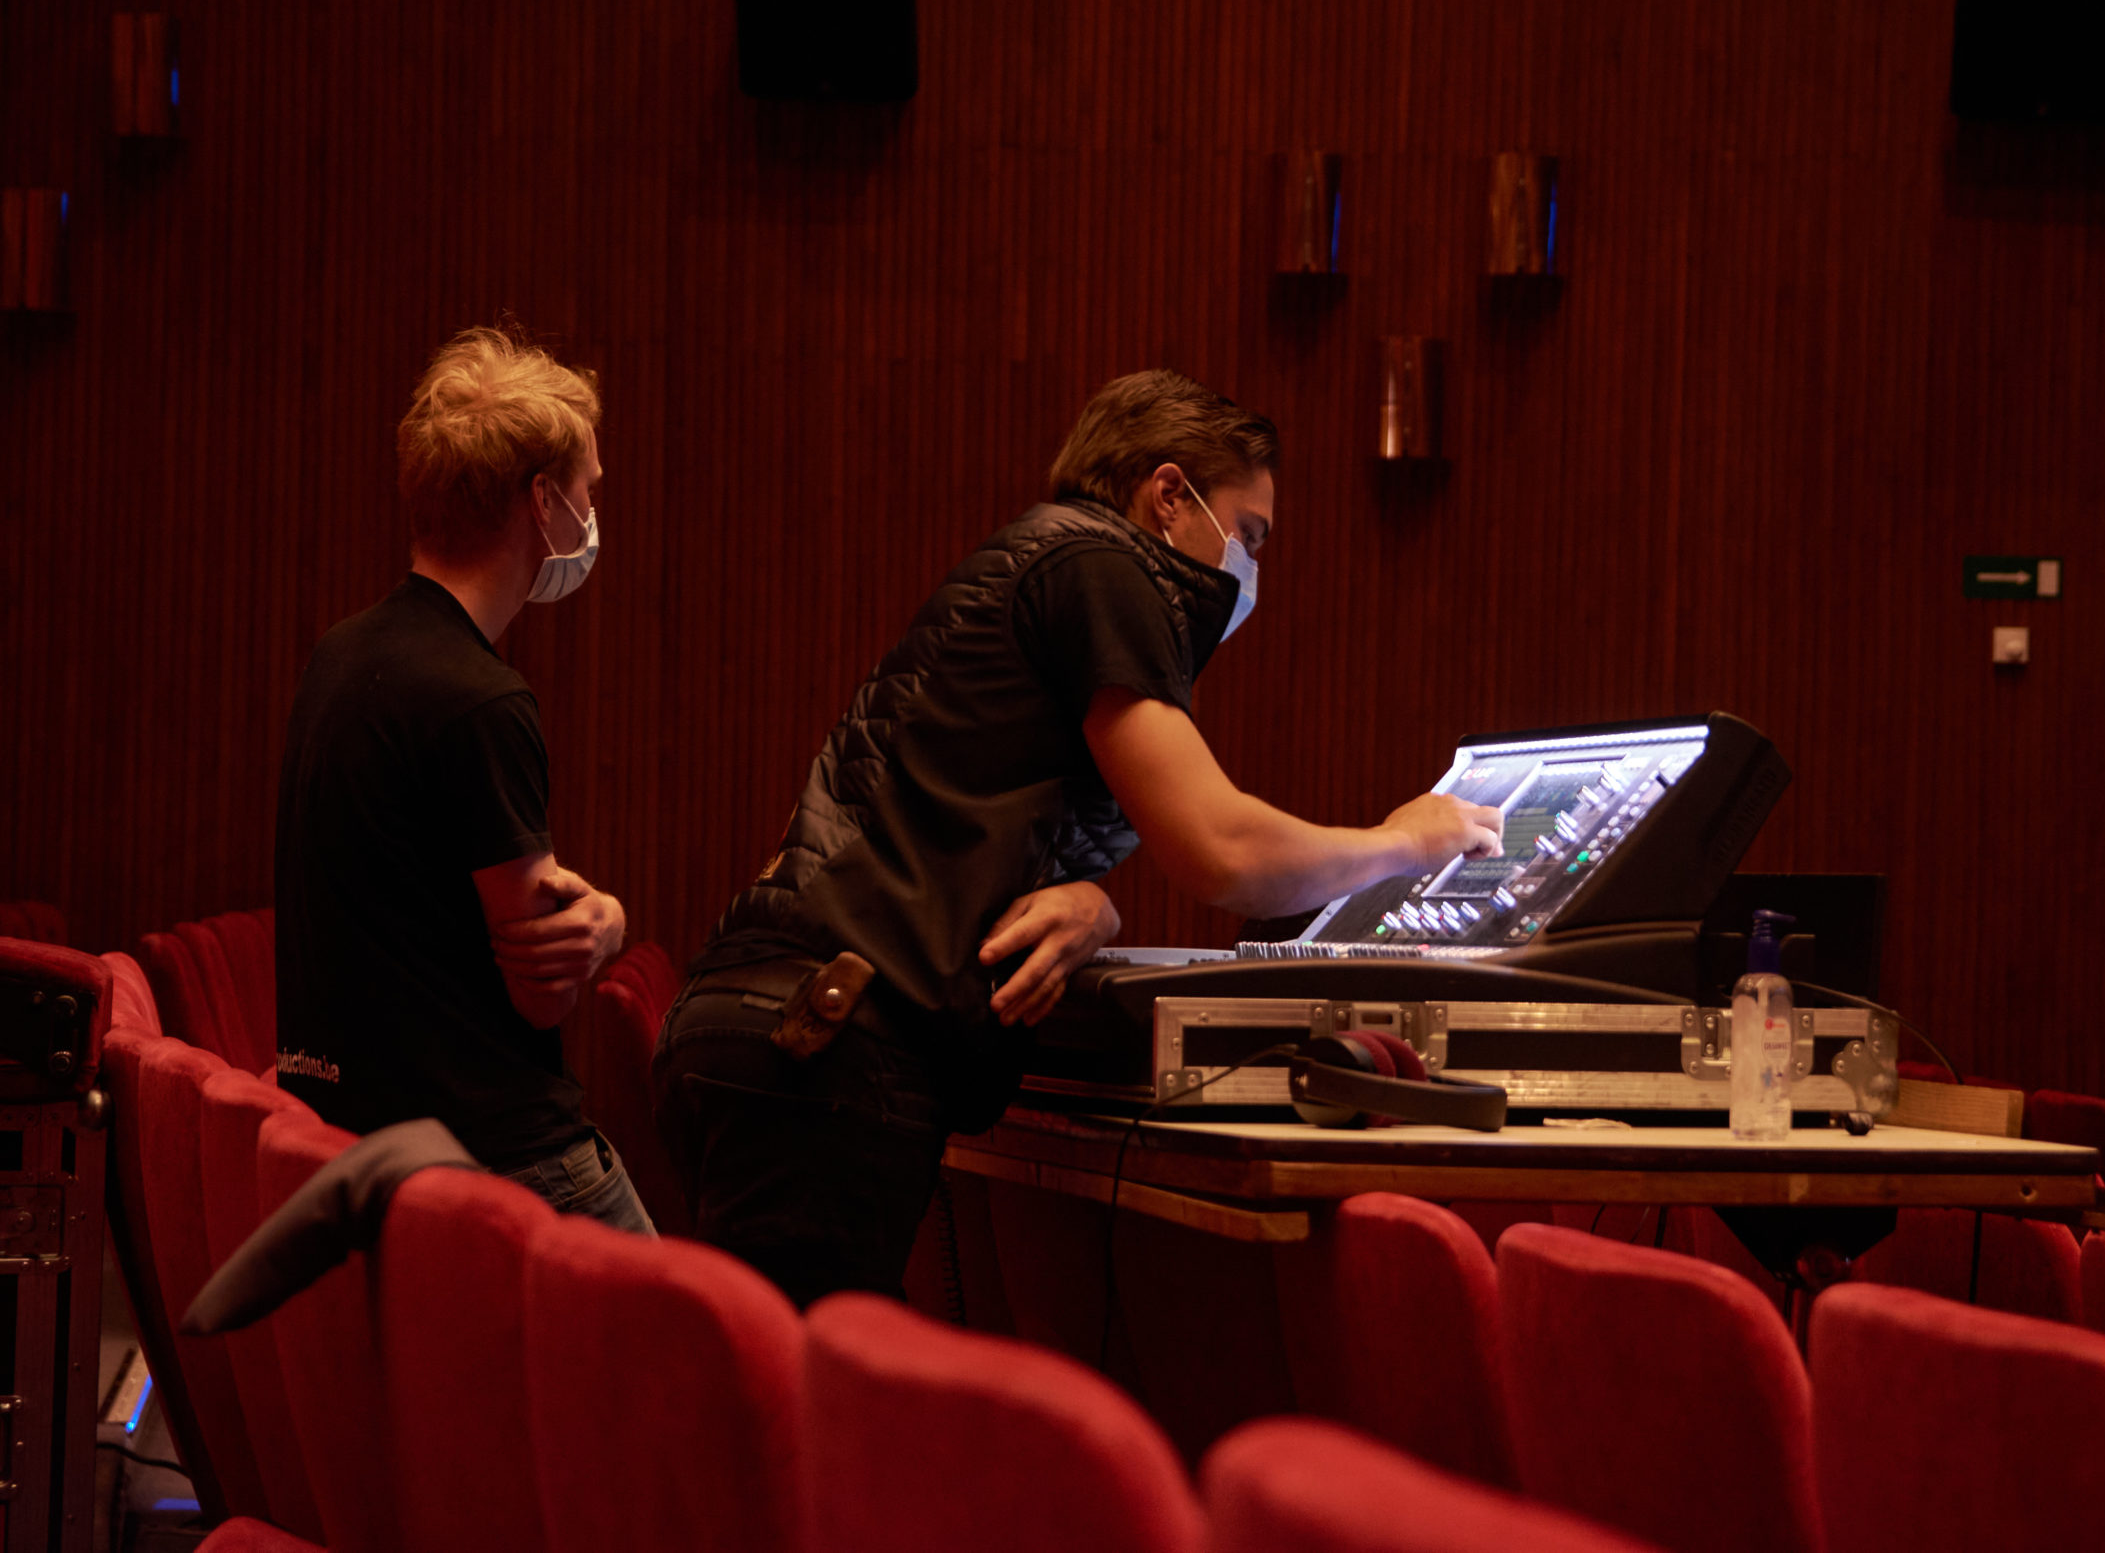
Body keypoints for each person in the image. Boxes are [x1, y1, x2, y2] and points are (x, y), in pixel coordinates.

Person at [656, 369, 1502, 1305]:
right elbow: (1224, 853)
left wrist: (1092, 903)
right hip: (827, 1042)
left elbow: (963, 814)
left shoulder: (1045, 559)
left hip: (785, 1022)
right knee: (797, 1396)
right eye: (1249, 532)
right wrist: (1406, 840)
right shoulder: (1103, 566)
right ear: (1168, 493)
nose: (1250, 565)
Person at [274, 325, 652, 1234]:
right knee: (699, 1324)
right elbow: (541, 989)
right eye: (589, 489)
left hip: (352, 1135)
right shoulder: (481, 700)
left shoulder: (339, 655)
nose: (593, 512)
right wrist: (606, 922)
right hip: (496, 1154)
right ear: (542, 501)